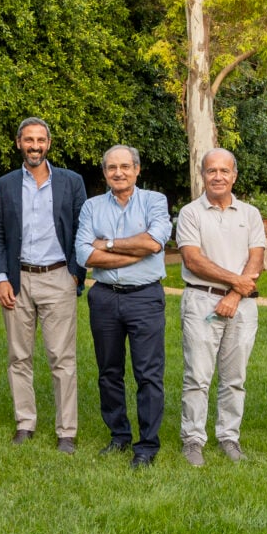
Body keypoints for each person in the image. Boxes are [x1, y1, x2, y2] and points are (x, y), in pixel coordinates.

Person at [0, 117, 86, 454]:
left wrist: (75, 272)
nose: (34, 146)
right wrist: (0, 277)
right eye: (28, 140)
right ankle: (25, 423)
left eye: (40, 140)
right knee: (19, 356)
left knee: (62, 357)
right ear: (18, 143)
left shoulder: (71, 182)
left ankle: (67, 431)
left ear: (49, 143)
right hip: (18, 279)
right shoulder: (5, 184)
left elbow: (81, 230)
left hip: (59, 276)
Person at [75, 144, 171, 468]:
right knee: (109, 372)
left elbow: (154, 243)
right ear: (104, 172)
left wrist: (110, 245)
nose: (119, 172)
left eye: (125, 166)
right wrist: (137, 250)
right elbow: (85, 256)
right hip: (104, 297)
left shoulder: (154, 201)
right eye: (112, 167)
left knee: (148, 374)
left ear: (137, 169)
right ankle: (119, 436)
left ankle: (147, 445)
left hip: (145, 297)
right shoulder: (91, 207)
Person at [175, 148, 265, 467]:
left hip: (241, 306)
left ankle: (229, 437)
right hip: (201, 299)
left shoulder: (250, 214)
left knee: (234, 377)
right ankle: (193, 440)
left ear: (234, 176)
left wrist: (234, 295)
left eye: (224, 171)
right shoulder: (190, 213)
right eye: (211, 171)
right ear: (203, 175)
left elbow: (256, 258)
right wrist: (236, 284)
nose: (218, 176)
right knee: (198, 375)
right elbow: (192, 259)